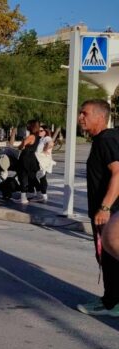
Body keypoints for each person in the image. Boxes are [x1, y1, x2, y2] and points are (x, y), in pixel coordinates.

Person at [77, 99, 119, 317]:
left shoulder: (106, 139)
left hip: (110, 213)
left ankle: (112, 303)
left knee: (109, 255)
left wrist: (104, 207)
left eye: (84, 113)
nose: (80, 118)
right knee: (108, 258)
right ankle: (112, 300)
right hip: (108, 212)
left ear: (100, 117)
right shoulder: (105, 139)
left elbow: (118, 173)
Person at [16, 120, 41, 204]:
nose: (27, 126)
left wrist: (22, 142)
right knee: (32, 177)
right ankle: (40, 194)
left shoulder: (30, 137)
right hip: (32, 158)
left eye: (28, 125)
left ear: (32, 126)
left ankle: (23, 198)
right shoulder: (37, 137)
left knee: (23, 176)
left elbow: (21, 147)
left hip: (26, 158)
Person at [32, 125, 55, 203]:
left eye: (41, 131)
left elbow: (51, 143)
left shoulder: (47, 138)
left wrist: (45, 150)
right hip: (39, 160)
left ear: (46, 131)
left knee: (42, 177)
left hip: (44, 161)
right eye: (39, 130)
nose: (39, 132)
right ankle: (40, 194)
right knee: (35, 176)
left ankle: (43, 195)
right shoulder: (41, 139)